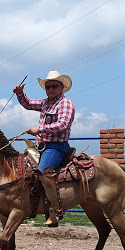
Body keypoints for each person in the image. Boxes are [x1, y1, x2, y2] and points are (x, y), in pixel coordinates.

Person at [13, 70, 75, 227]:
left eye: (54, 86)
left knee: (43, 173)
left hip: (57, 146)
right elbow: (28, 104)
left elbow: (63, 125)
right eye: (48, 87)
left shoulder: (65, 104)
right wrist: (20, 93)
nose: (51, 89)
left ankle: (56, 211)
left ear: (62, 87)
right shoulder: (45, 103)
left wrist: (39, 130)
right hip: (42, 146)